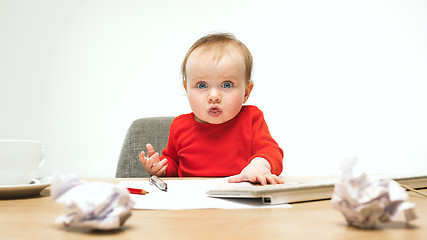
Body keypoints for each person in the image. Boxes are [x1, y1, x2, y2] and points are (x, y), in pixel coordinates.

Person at [139, 32, 284, 185]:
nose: (214, 96)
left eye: (226, 85)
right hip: (193, 200)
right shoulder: (179, 126)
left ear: (246, 93)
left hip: (240, 197)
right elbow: (173, 164)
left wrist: (260, 165)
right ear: (187, 89)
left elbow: (271, 151)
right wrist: (160, 167)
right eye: (202, 85)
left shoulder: (252, 118)